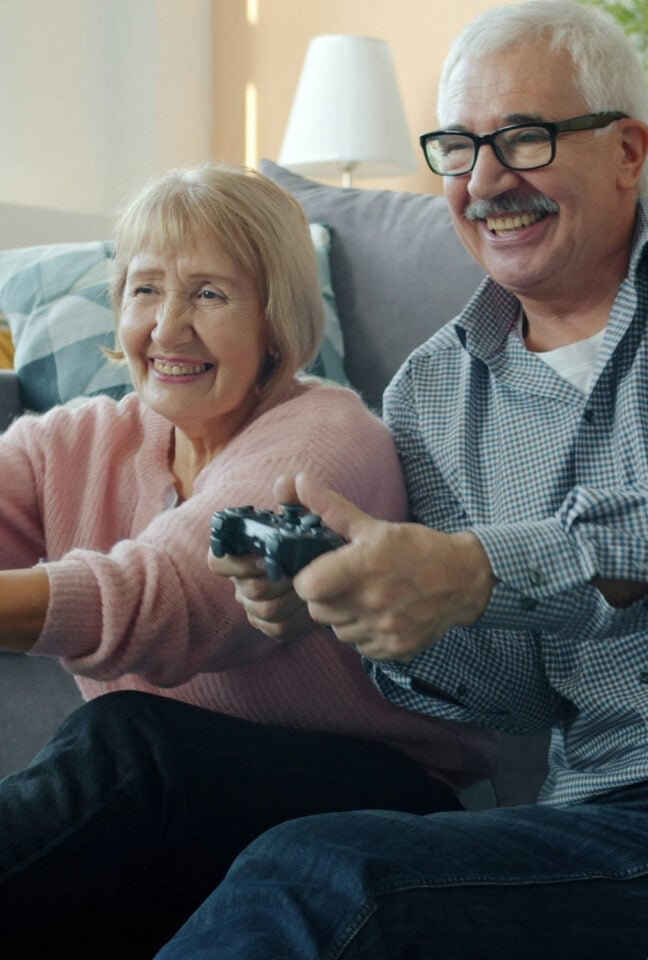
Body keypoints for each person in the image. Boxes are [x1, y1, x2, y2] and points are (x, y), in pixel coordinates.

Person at [151, 2, 648, 959]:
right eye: (457, 147)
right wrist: (370, 610)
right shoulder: (431, 395)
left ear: (626, 150)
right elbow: (514, 698)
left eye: (523, 139)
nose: (486, 181)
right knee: (317, 870)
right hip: (615, 824)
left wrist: (479, 569)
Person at [0, 163, 494, 959]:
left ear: (276, 321)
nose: (167, 328)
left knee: (127, 741)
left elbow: (169, 601)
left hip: (370, 804)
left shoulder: (329, 438)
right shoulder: (81, 440)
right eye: (145, 290)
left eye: (209, 294)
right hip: (178, 824)